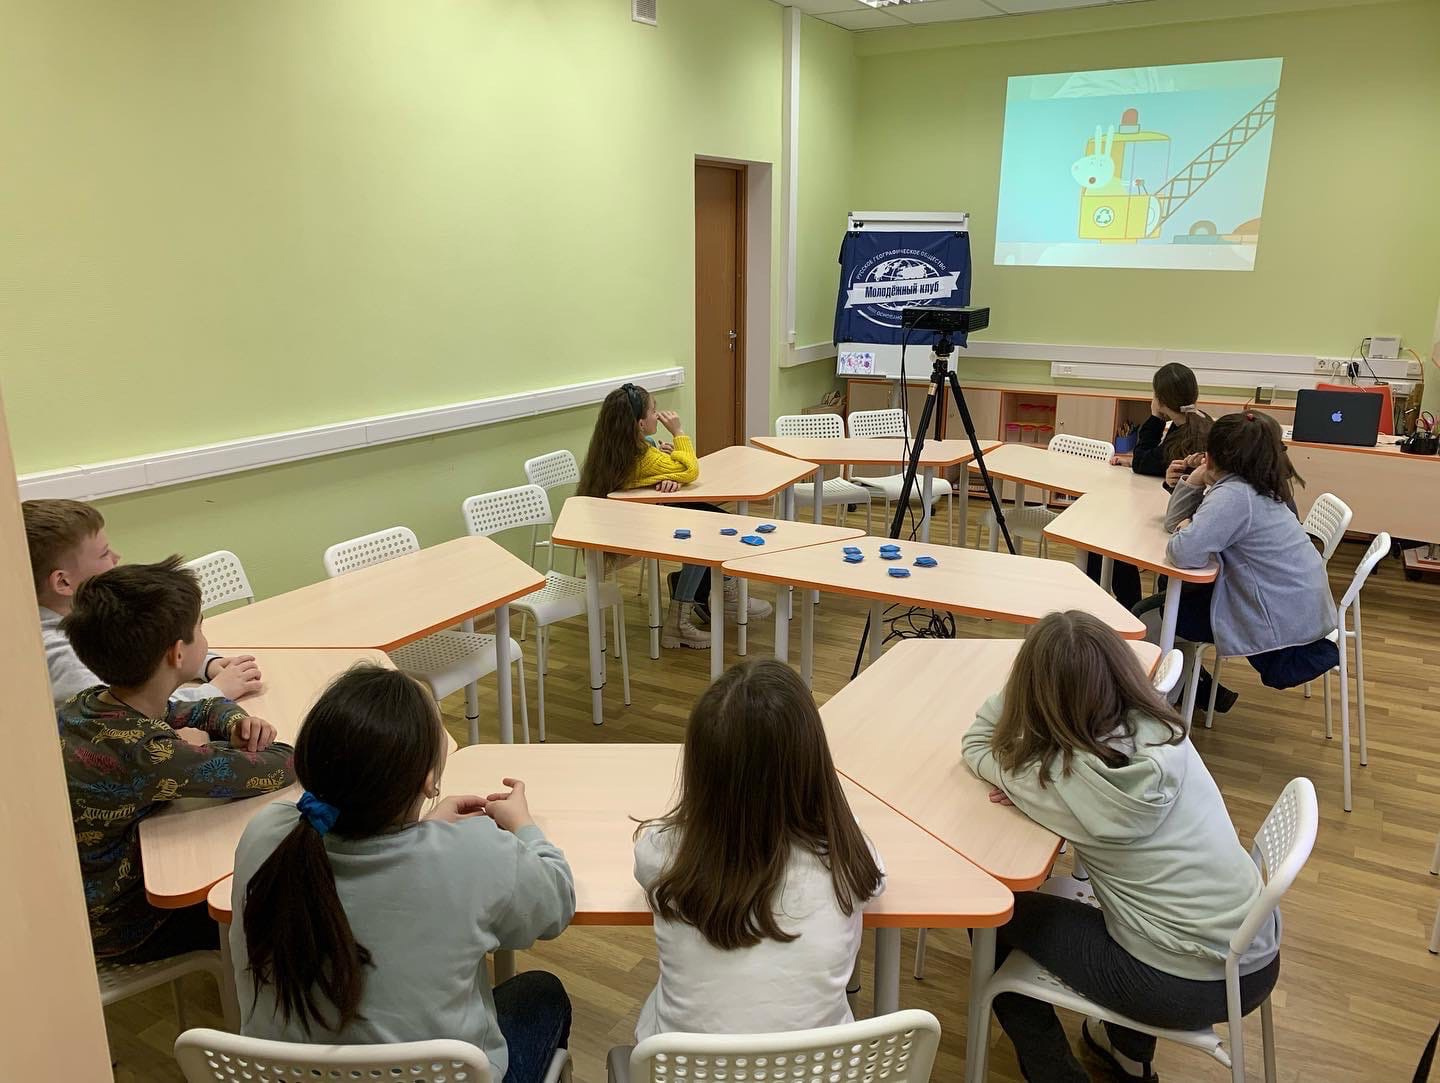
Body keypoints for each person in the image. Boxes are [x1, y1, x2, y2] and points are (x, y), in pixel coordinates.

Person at [963, 611, 1281, 1083]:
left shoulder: (1063, 780)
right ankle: (1127, 1057)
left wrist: (1024, 720)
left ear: (1038, 695)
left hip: (1178, 983)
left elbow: (977, 743)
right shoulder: (1162, 730)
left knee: (992, 917)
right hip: (1252, 955)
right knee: (1143, 910)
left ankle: (1058, 1076)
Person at [232, 665, 575, 1083]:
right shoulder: (475, 854)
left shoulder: (266, 834)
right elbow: (556, 902)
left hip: (290, 1075)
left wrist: (424, 830)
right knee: (542, 992)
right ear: (429, 781)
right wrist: (523, 825)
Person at [632, 660, 885, 1040]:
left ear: (700, 770)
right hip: (818, 1067)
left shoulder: (661, 854)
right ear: (812, 761)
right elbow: (875, 878)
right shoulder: (846, 860)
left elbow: (648, 850)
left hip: (686, 1067)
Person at [57, 557, 295, 963]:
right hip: (125, 922)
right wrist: (236, 745)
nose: (204, 634)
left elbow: (190, 710)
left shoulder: (89, 704)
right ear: (178, 654)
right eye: (200, 627)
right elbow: (282, 765)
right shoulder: (150, 754)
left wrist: (234, 722)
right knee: (277, 901)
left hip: (80, 897)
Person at [1148, 410, 1338, 708]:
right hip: (1298, 609)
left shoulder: (1235, 495)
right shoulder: (1259, 483)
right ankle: (1178, 693)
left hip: (1280, 622)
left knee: (1155, 617)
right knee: (1167, 606)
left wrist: (1188, 526)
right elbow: (1176, 525)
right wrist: (1195, 480)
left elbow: (1182, 553)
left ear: (1211, 455)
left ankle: (1156, 704)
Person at [577, 383, 770, 650]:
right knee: (706, 533)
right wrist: (678, 433)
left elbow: (665, 469)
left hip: (628, 522)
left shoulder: (613, 448)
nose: (658, 415)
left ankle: (716, 593)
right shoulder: (644, 458)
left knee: (714, 521)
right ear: (640, 423)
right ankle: (683, 620)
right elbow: (690, 470)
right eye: (653, 411)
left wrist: (669, 472)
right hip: (634, 531)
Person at [24, 498, 262, 705]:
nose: (117, 557)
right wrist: (216, 692)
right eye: (104, 553)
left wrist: (206, 665)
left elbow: (145, 654)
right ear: (63, 582)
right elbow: (121, 712)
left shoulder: (91, 614)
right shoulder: (59, 653)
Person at [1093, 364, 1214, 609]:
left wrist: (1155, 417)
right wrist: (1134, 461)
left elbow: (1144, 462)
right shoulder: (1198, 420)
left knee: (1106, 543)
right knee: (1115, 540)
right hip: (1182, 512)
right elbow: (1158, 461)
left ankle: (1123, 606)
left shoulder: (1187, 434)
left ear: (1161, 399)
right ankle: (1128, 605)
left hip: (1179, 523)